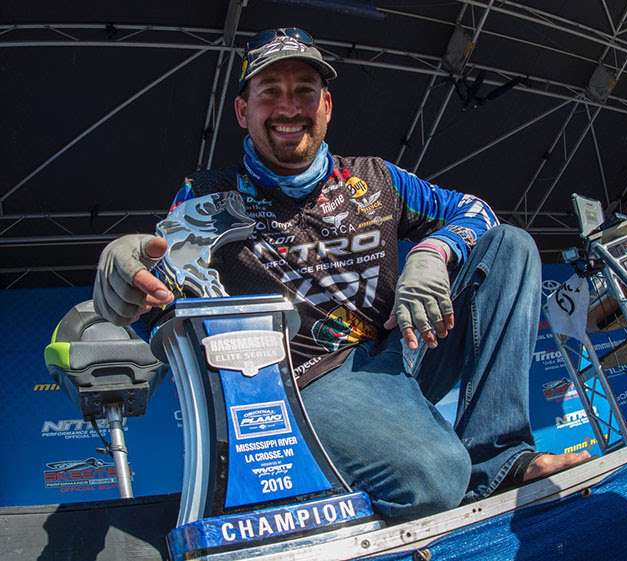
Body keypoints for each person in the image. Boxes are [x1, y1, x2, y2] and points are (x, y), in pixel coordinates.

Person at [93, 28, 589, 520]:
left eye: (304, 91)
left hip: (404, 344)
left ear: (326, 105)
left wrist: (433, 252)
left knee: (509, 247)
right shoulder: (205, 196)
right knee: (435, 479)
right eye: (270, 92)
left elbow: (476, 212)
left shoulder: (377, 178)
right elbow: (163, 293)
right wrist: (129, 271)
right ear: (243, 111)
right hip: (314, 379)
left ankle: (499, 459)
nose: (289, 108)